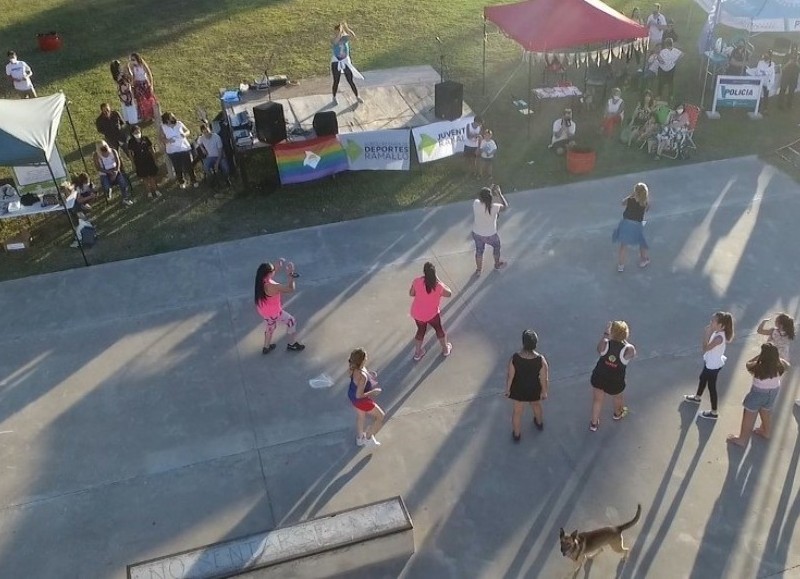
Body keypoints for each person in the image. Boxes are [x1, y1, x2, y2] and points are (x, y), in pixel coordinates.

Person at [727, 344, 789, 447]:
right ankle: (766, 432)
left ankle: (742, 440)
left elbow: (748, 364)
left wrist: (759, 356)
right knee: (766, 412)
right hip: (773, 392)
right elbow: (788, 365)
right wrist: (777, 358)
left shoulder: (757, 367)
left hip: (758, 393)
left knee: (749, 416)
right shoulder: (780, 365)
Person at [683, 312, 735, 420]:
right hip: (711, 362)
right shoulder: (719, 332)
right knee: (702, 378)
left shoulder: (718, 338)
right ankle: (697, 397)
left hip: (713, 365)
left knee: (711, 387)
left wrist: (706, 333)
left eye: (713, 321)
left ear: (721, 325)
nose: (711, 322)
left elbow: (705, 348)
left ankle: (714, 412)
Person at [589, 321, 636, 431]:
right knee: (617, 397)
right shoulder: (628, 349)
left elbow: (599, 349)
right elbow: (632, 355)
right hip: (615, 381)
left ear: (611, 332)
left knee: (597, 400)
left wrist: (606, 334)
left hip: (599, 376)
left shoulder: (605, 343)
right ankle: (617, 413)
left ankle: (594, 423)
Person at [506, 329, 550, 442]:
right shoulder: (540, 360)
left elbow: (510, 375)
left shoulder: (515, 358)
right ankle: (539, 422)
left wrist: (508, 389)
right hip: (533, 388)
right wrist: (544, 391)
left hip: (518, 388)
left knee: (517, 412)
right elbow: (544, 378)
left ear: (523, 343)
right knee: (536, 405)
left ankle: (516, 434)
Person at [254, 260, 305, 353]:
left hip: (263, 310)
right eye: (273, 269)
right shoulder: (273, 286)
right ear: (269, 273)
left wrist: (277, 266)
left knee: (270, 325)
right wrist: (291, 274)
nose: (275, 269)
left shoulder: (260, 279)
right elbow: (290, 289)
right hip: (274, 312)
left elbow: (271, 274)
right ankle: (292, 344)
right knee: (291, 322)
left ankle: (266, 347)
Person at [409, 262, 453, 361]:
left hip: (418, 313)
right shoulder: (438, 286)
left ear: (424, 272)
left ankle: (417, 353)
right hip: (432, 314)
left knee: (421, 331)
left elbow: (411, 293)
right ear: (434, 273)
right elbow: (449, 293)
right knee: (439, 330)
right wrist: (439, 280)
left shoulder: (417, 281)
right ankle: (445, 349)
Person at [347, 348, 385, 447]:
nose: (367, 358)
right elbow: (359, 395)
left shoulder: (353, 368)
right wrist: (373, 392)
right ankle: (368, 438)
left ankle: (360, 438)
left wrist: (369, 375)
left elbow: (356, 379)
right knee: (380, 416)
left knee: (361, 416)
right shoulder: (362, 376)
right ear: (362, 360)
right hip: (360, 400)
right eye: (366, 357)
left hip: (352, 396)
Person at [612, 182, 650, 272]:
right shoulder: (645, 203)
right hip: (637, 225)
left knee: (623, 245)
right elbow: (647, 210)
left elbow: (622, 203)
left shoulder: (630, 199)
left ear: (635, 191)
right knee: (641, 242)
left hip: (626, 223)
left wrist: (631, 195)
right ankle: (643, 259)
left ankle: (621, 265)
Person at [472, 184, 509, 274]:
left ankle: (479, 270)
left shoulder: (476, 203)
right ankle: (497, 264)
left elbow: (482, 197)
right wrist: (500, 194)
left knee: (479, 251)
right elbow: (505, 207)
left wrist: (489, 189)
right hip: (490, 235)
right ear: (490, 197)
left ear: (480, 197)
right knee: (496, 247)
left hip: (477, 233)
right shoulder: (495, 207)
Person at [160, 112, 198, 189]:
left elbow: (188, 131)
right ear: (167, 119)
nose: (173, 117)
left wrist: (185, 134)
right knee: (177, 167)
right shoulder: (163, 127)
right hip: (172, 150)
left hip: (183, 147)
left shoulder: (179, 123)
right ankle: (181, 181)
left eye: (173, 116)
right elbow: (161, 138)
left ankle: (193, 180)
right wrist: (168, 140)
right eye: (171, 116)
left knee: (188, 165)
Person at [330, 22, 364, 105]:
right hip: (336, 61)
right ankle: (334, 97)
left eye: (338, 32)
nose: (336, 33)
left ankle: (357, 96)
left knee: (350, 80)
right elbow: (336, 41)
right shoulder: (333, 39)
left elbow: (353, 36)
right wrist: (339, 32)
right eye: (336, 32)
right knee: (336, 81)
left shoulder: (345, 38)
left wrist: (346, 28)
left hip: (345, 60)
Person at [93, 140, 133, 206]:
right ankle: (108, 190)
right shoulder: (96, 155)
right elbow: (98, 168)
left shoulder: (113, 151)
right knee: (106, 186)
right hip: (104, 172)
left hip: (115, 170)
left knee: (123, 183)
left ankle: (125, 198)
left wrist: (115, 171)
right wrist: (108, 172)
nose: (104, 148)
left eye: (105, 146)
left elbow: (118, 162)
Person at [128, 127, 161, 199]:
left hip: (149, 160)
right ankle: (149, 192)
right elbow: (130, 153)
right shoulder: (131, 142)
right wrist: (133, 163)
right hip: (139, 161)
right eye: (135, 133)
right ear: (132, 133)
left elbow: (151, 148)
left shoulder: (145, 138)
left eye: (138, 132)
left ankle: (156, 190)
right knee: (144, 178)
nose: (137, 134)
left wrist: (155, 159)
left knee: (152, 176)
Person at [128, 53, 156, 122]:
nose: (132, 61)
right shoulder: (132, 66)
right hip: (138, 85)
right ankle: (144, 116)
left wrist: (151, 85)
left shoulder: (143, 65)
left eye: (133, 59)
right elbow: (133, 76)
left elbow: (149, 75)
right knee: (140, 101)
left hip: (144, 84)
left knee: (148, 100)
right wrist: (132, 84)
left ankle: (151, 115)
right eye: (131, 60)